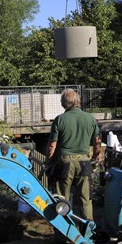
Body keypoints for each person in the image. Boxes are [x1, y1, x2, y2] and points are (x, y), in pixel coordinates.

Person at [45, 88, 101, 221]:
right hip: (84, 163)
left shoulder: (60, 120)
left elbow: (52, 145)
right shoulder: (90, 119)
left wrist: (49, 162)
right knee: (86, 200)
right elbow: (97, 142)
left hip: (65, 164)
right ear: (78, 101)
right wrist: (94, 158)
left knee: (62, 200)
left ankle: (63, 235)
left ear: (64, 103)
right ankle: (88, 232)